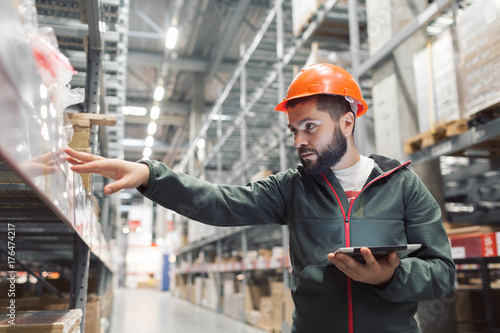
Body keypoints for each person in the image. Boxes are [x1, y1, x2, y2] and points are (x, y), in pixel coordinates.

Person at [65, 63, 455, 333]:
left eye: (311, 127)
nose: (300, 140)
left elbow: (441, 274)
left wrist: (390, 276)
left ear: (347, 122)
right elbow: (220, 203)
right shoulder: (292, 187)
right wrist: (153, 175)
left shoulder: (403, 185)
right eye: (293, 130)